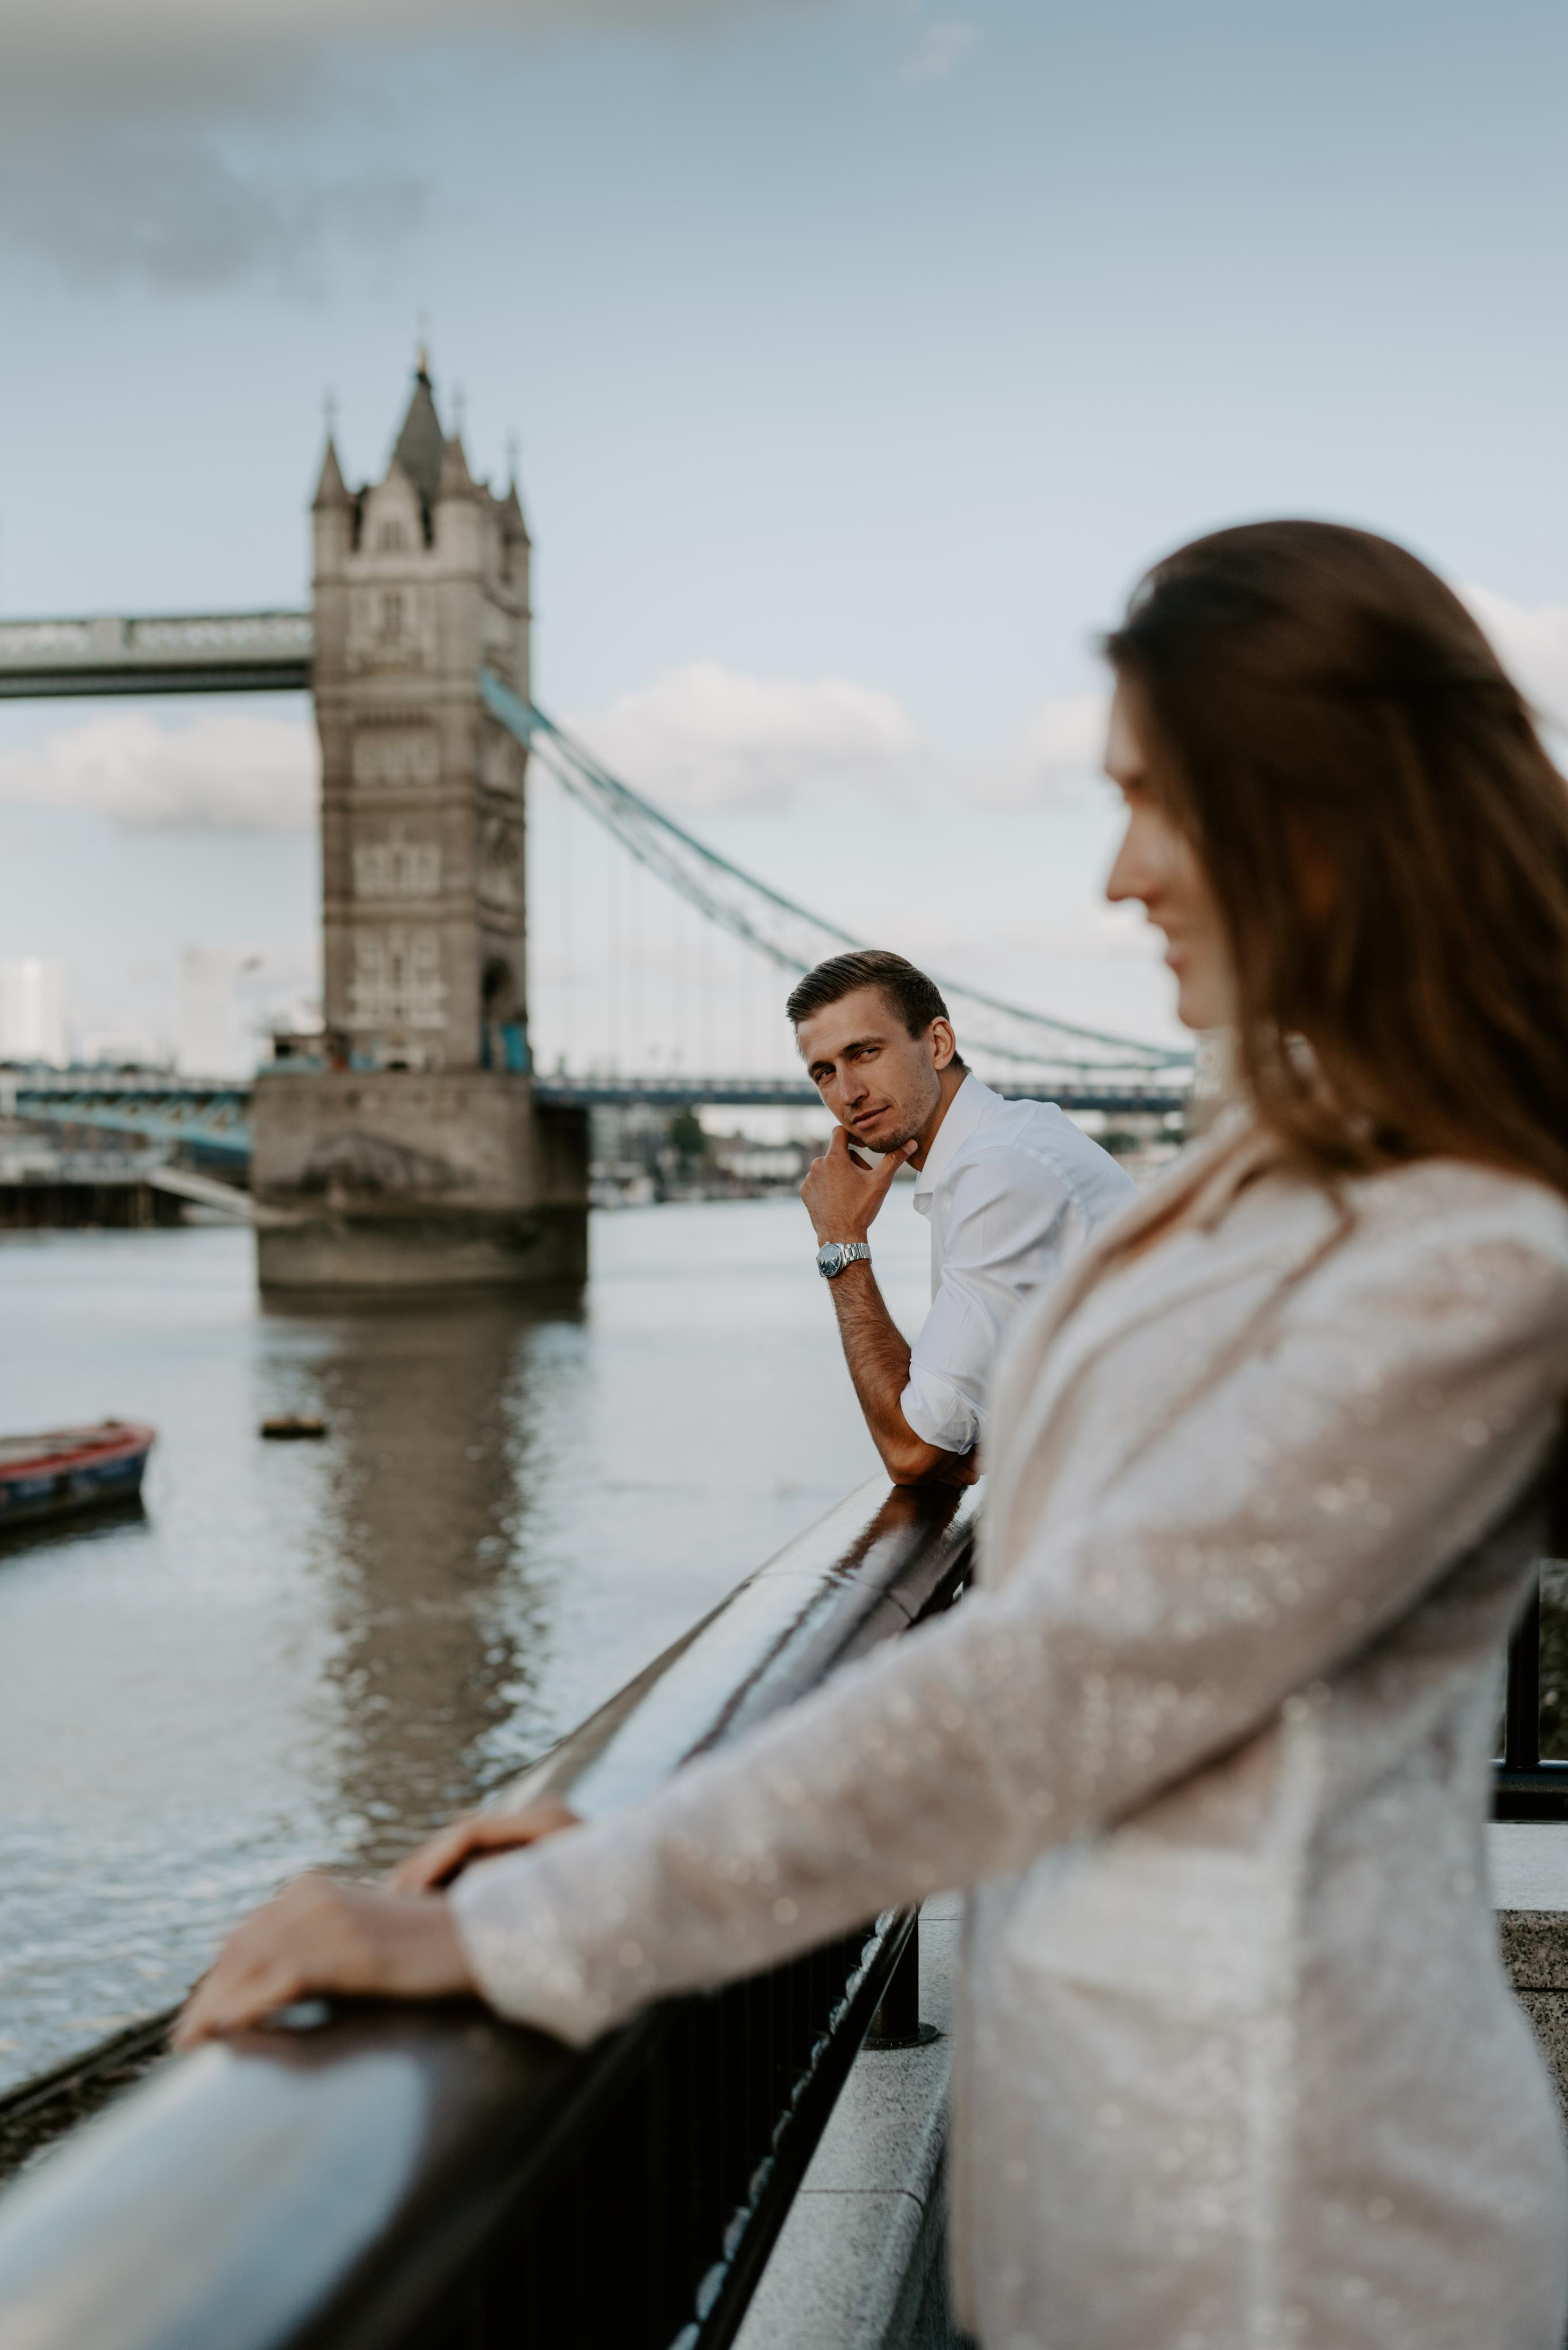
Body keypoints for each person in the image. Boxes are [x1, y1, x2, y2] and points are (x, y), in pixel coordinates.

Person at [178, 519, 1568, 2350]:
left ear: (1316, 814)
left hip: (1313, 2245)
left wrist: (535, 1925)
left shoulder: (1469, 1255)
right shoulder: (1238, 1174)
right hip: (1125, 2207)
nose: (1116, 871)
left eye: (1157, 801)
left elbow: (1056, 1682)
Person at [788, 948, 1133, 1484]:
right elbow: (943, 1438)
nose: (848, 1093)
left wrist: (841, 1239)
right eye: (825, 1072)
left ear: (939, 1043)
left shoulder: (1002, 1167)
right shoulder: (989, 1151)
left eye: (865, 1052)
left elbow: (913, 1449)